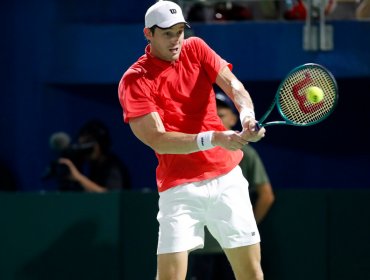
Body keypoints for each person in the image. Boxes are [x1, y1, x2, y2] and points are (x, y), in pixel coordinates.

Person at [118, 1, 266, 279]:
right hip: (180, 188)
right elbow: (157, 139)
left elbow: (234, 85)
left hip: (227, 180)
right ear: (148, 34)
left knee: (251, 273)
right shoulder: (135, 80)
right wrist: (215, 138)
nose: (176, 40)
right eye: (167, 33)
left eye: (179, 31)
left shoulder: (196, 48)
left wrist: (247, 115)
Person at [216, 92, 275, 223]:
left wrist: (249, 226)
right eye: (212, 116)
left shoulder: (247, 154)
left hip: (234, 235)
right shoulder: (197, 149)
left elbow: (266, 195)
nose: (216, 120)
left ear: (233, 119)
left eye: (221, 115)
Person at [56, 119, 131, 192]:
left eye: (89, 142)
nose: (85, 148)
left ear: (101, 144)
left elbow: (111, 197)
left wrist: (79, 178)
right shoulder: (92, 166)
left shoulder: (113, 167)